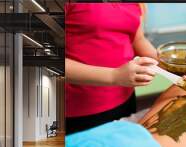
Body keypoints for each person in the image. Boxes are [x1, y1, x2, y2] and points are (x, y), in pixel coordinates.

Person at [65, 3, 158, 135]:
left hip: (125, 99)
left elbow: (138, 39)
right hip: (78, 110)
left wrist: (170, 65)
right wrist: (115, 75)